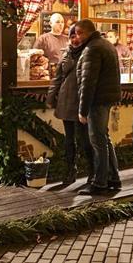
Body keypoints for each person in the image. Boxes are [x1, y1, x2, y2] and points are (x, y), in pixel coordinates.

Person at [75, 19, 122, 195]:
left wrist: (83, 109)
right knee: (104, 139)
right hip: (106, 98)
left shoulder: (92, 49)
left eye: (79, 33)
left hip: (97, 101)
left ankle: (100, 182)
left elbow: (88, 82)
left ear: (85, 32)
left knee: (97, 141)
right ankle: (113, 178)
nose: (77, 37)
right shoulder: (106, 44)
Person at [48, 25, 93, 185]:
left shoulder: (89, 52)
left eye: (77, 36)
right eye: (72, 36)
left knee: (85, 139)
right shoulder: (65, 54)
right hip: (66, 99)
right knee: (68, 139)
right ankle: (69, 170)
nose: (74, 39)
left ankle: (92, 172)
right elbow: (57, 78)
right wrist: (51, 97)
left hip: (82, 100)